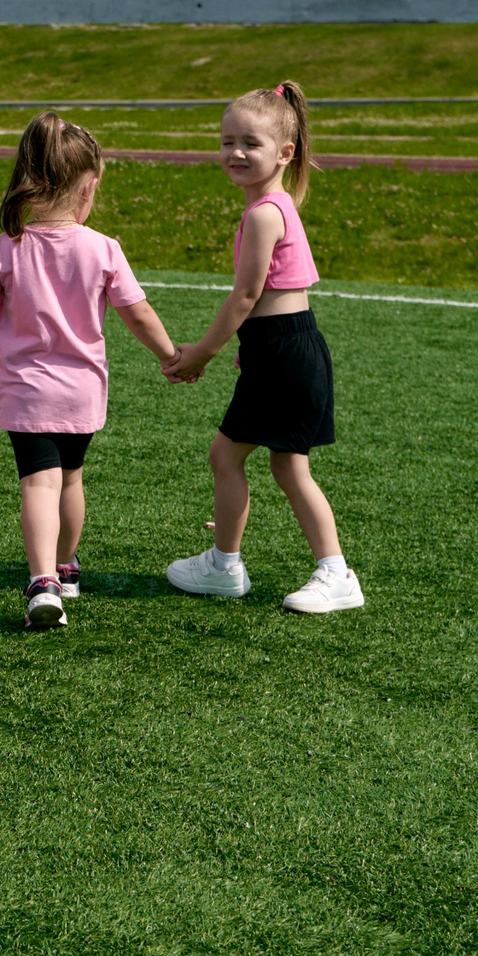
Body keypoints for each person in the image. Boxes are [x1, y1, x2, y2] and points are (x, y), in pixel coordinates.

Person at [0, 114, 179, 630]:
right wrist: (170, 356)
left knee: (38, 485)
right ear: (89, 188)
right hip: (83, 392)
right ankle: (66, 568)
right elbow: (138, 313)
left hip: (28, 393)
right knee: (71, 479)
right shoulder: (104, 248)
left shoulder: (5, 248)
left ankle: (43, 582)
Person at [163, 82, 364, 614]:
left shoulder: (262, 214)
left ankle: (236, 566)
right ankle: (310, 569)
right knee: (280, 465)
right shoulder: (277, 205)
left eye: (250, 143)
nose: (235, 152)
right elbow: (271, 299)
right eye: (227, 141)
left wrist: (202, 352)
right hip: (284, 348)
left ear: (284, 153)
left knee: (238, 458)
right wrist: (250, 348)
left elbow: (246, 295)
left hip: (285, 352)